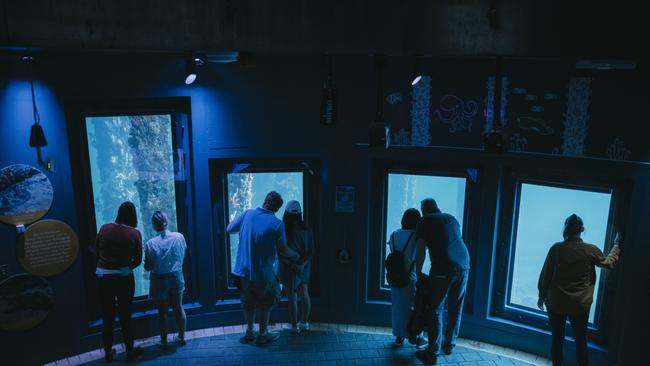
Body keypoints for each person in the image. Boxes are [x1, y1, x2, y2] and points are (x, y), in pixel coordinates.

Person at [537, 214, 620, 366]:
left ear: (565, 229)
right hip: (579, 305)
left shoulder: (556, 249)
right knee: (581, 341)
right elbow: (608, 264)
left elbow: (545, 275)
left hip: (556, 303)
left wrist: (541, 296)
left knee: (557, 339)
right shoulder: (591, 250)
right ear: (581, 229)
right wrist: (616, 246)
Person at [227, 191, 299, 345]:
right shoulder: (277, 224)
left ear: (265, 200)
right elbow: (283, 250)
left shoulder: (247, 214)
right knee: (267, 301)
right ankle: (262, 334)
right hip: (263, 274)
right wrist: (295, 255)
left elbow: (229, 229)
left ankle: (249, 332)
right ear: (278, 208)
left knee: (248, 302)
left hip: (243, 272)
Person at [414, 198, 470, 365]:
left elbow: (420, 249)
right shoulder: (452, 218)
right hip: (464, 265)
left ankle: (432, 353)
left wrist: (418, 272)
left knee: (435, 310)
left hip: (443, 269)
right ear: (437, 207)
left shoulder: (423, 221)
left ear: (424, 210)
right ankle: (449, 345)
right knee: (455, 307)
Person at [95, 202, 144, 362]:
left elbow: (97, 251)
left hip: (103, 277)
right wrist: (125, 267)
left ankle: (108, 353)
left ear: (119, 213)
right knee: (125, 316)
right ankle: (130, 352)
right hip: (123, 278)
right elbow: (137, 260)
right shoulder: (135, 233)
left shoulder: (104, 228)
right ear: (133, 216)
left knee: (107, 316)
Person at [144, 211, 187, 349]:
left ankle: (164, 341)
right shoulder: (179, 237)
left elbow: (149, 266)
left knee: (162, 313)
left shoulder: (150, 243)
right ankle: (181, 337)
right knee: (178, 307)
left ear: (154, 225)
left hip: (159, 279)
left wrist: (147, 265)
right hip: (176, 275)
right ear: (166, 221)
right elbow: (182, 254)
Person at [387, 208, 427, 347]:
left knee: (397, 306)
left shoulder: (393, 235)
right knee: (413, 307)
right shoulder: (416, 236)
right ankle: (413, 335)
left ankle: (398, 335)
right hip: (410, 277)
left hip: (394, 276)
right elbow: (418, 256)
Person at [278, 200, 315, 334]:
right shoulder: (307, 230)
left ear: (286, 214)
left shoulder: (283, 229)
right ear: (300, 214)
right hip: (303, 268)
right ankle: (304, 323)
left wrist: (291, 264)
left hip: (288, 268)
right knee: (304, 294)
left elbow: (280, 250)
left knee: (291, 297)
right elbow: (311, 252)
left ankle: (294, 326)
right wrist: (302, 265)